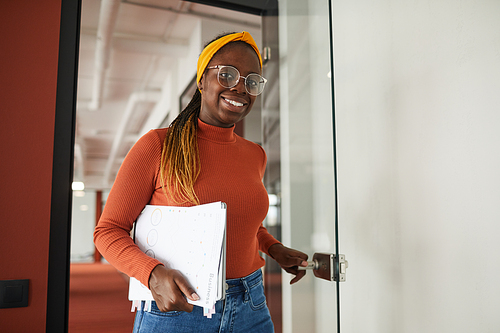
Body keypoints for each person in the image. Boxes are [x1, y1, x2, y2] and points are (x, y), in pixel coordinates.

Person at [94, 31, 308, 333]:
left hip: (251, 303)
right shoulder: (157, 145)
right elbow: (108, 231)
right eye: (228, 74)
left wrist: (273, 248)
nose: (240, 88)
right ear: (202, 79)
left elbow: (238, 222)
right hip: (180, 307)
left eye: (252, 81)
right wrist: (152, 274)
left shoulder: (255, 155)